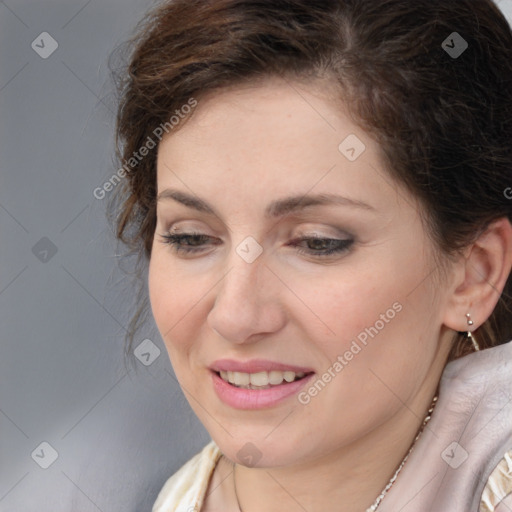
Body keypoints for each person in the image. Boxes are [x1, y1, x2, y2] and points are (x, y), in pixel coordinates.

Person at [108, 0, 512, 510]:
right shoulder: (182, 496)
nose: (236, 315)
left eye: (318, 242)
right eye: (191, 238)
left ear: (475, 274)